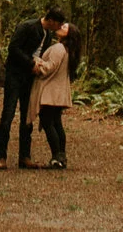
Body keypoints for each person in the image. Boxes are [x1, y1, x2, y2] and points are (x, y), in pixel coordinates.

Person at [0, 7, 61, 169]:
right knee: (8, 114)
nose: (58, 28)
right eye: (57, 24)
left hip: (30, 79)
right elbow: (13, 48)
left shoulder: (48, 35)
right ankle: (1, 156)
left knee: (27, 117)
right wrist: (30, 63)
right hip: (15, 76)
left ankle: (24, 156)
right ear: (51, 20)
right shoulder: (27, 26)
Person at [32, 17, 74, 168]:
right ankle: (61, 157)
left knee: (48, 122)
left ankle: (57, 156)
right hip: (58, 91)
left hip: (51, 91)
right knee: (56, 123)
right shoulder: (67, 50)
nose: (61, 26)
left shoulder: (59, 48)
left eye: (65, 27)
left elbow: (50, 67)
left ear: (69, 34)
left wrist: (36, 64)